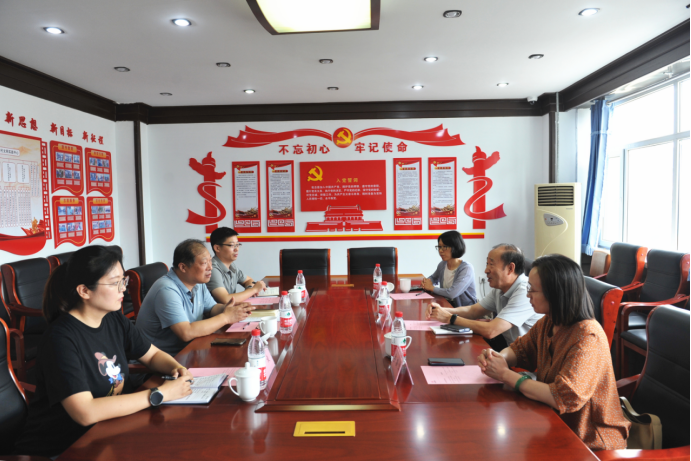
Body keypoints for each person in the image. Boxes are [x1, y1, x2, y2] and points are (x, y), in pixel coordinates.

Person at [13, 246, 194, 458]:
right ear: (84, 291)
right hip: (62, 449)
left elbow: (152, 355)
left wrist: (177, 368)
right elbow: (85, 412)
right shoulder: (60, 339)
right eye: (115, 283)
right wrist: (159, 394)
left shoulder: (113, 318)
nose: (123, 289)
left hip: (108, 432)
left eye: (123, 280)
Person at [477, 254, 630, 450]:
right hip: (554, 423)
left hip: (591, 441)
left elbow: (562, 397)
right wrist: (497, 358)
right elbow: (521, 349)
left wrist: (505, 375)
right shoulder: (549, 321)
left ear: (555, 293)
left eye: (532, 289)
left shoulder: (588, 336)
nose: (528, 295)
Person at [135, 239, 253, 356]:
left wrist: (230, 309)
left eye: (210, 261)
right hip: (161, 360)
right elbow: (186, 333)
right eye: (204, 263)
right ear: (183, 267)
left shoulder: (197, 283)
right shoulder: (166, 290)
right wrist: (226, 317)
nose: (210, 267)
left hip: (190, 350)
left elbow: (211, 308)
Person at [426, 243, 542, 351]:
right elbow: (473, 311)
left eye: (491, 264)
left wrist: (451, 318)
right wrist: (442, 310)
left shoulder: (526, 291)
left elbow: (491, 330)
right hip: (511, 350)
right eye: (487, 264)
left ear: (510, 268)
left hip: (530, 359)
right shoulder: (500, 288)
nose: (486, 270)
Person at [207, 227, 266, 304]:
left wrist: (249, 289)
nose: (236, 249)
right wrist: (253, 290)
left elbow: (248, 280)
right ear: (217, 248)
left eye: (237, 245)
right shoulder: (212, 268)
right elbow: (225, 299)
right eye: (232, 245)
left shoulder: (231, 266)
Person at [421, 231, 477, 307]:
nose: (440, 250)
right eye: (439, 247)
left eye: (444, 247)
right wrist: (426, 282)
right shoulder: (442, 264)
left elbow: (452, 293)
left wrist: (431, 288)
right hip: (446, 305)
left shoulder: (466, 269)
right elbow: (434, 277)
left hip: (464, 310)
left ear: (455, 247)